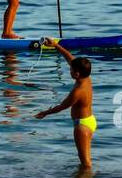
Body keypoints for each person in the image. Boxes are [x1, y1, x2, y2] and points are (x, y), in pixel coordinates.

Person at [34, 38, 94, 168]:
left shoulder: (78, 91)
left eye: (71, 70)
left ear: (77, 74)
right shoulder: (86, 78)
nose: (70, 71)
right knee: (86, 160)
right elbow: (70, 58)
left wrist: (45, 112)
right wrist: (56, 45)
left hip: (81, 126)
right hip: (90, 121)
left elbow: (62, 107)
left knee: (85, 163)